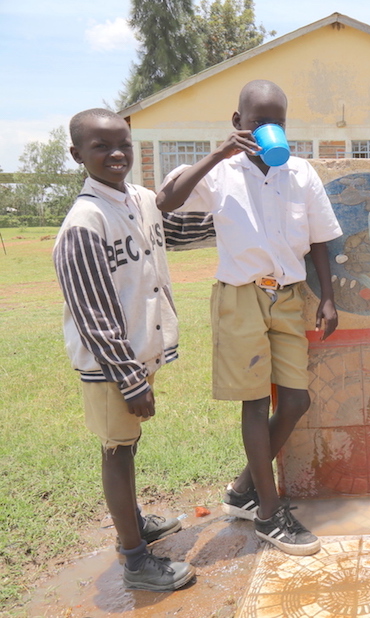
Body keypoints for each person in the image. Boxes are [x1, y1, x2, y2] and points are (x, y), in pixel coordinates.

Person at [157, 80, 342, 557]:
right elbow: (166, 201)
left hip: (288, 295)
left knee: (296, 400)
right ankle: (268, 513)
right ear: (238, 123)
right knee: (256, 402)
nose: (268, 131)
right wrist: (218, 155)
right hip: (240, 296)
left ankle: (242, 492)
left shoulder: (300, 173)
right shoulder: (221, 173)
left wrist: (327, 298)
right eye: (258, 122)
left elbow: (321, 238)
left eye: (277, 122)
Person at [54, 108, 215, 591]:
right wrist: (129, 380)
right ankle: (134, 559)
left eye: (123, 142)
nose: (116, 153)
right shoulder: (84, 223)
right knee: (117, 453)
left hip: (138, 355)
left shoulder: (139, 199)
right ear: (77, 154)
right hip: (111, 367)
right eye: (101, 146)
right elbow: (94, 313)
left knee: (128, 444)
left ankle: (135, 524)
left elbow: (173, 234)